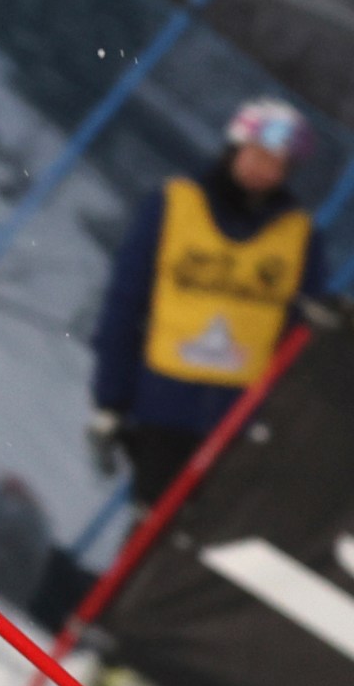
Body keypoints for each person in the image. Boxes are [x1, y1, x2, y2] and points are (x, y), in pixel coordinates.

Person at [88, 98, 334, 506]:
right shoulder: (174, 204)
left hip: (242, 426)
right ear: (235, 149)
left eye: (277, 163)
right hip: (162, 408)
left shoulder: (299, 235)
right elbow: (124, 303)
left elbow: (302, 331)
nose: (263, 169)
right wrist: (111, 399)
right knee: (147, 529)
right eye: (256, 154)